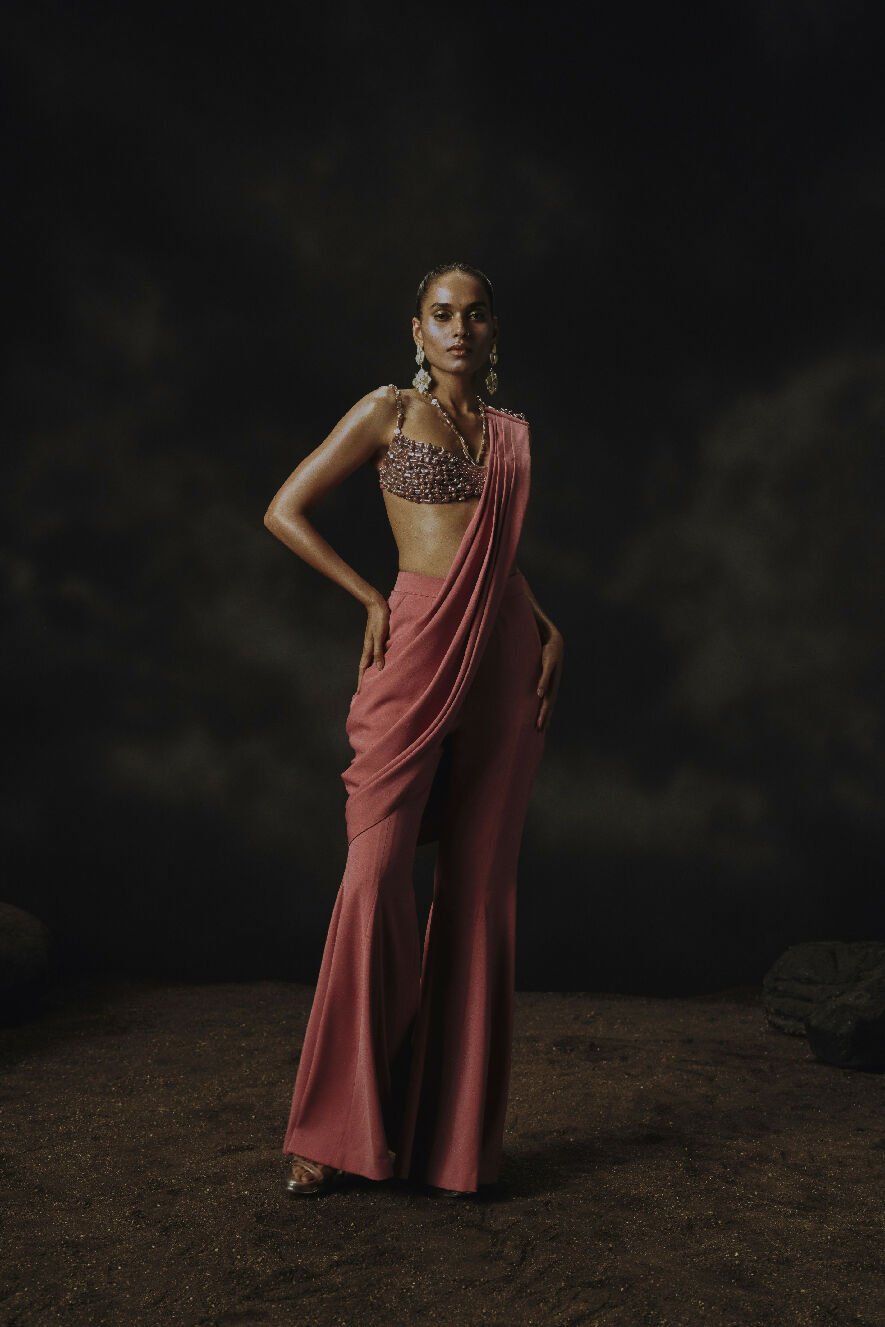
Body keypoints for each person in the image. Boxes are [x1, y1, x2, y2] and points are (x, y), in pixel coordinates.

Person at [263, 262, 564, 1199]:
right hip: (415, 645)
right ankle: (333, 1128)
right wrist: (366, 599)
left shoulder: (509, 434)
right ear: (416, 329)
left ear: (493, 329)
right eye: (443, 314)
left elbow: (492, 562)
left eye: (474, 314)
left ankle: (451, 1145)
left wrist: (546, 622)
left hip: (507, 653)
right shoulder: (387, 413)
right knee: (376, 870)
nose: (459, 328)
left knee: (478, 893)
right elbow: (284, 508)